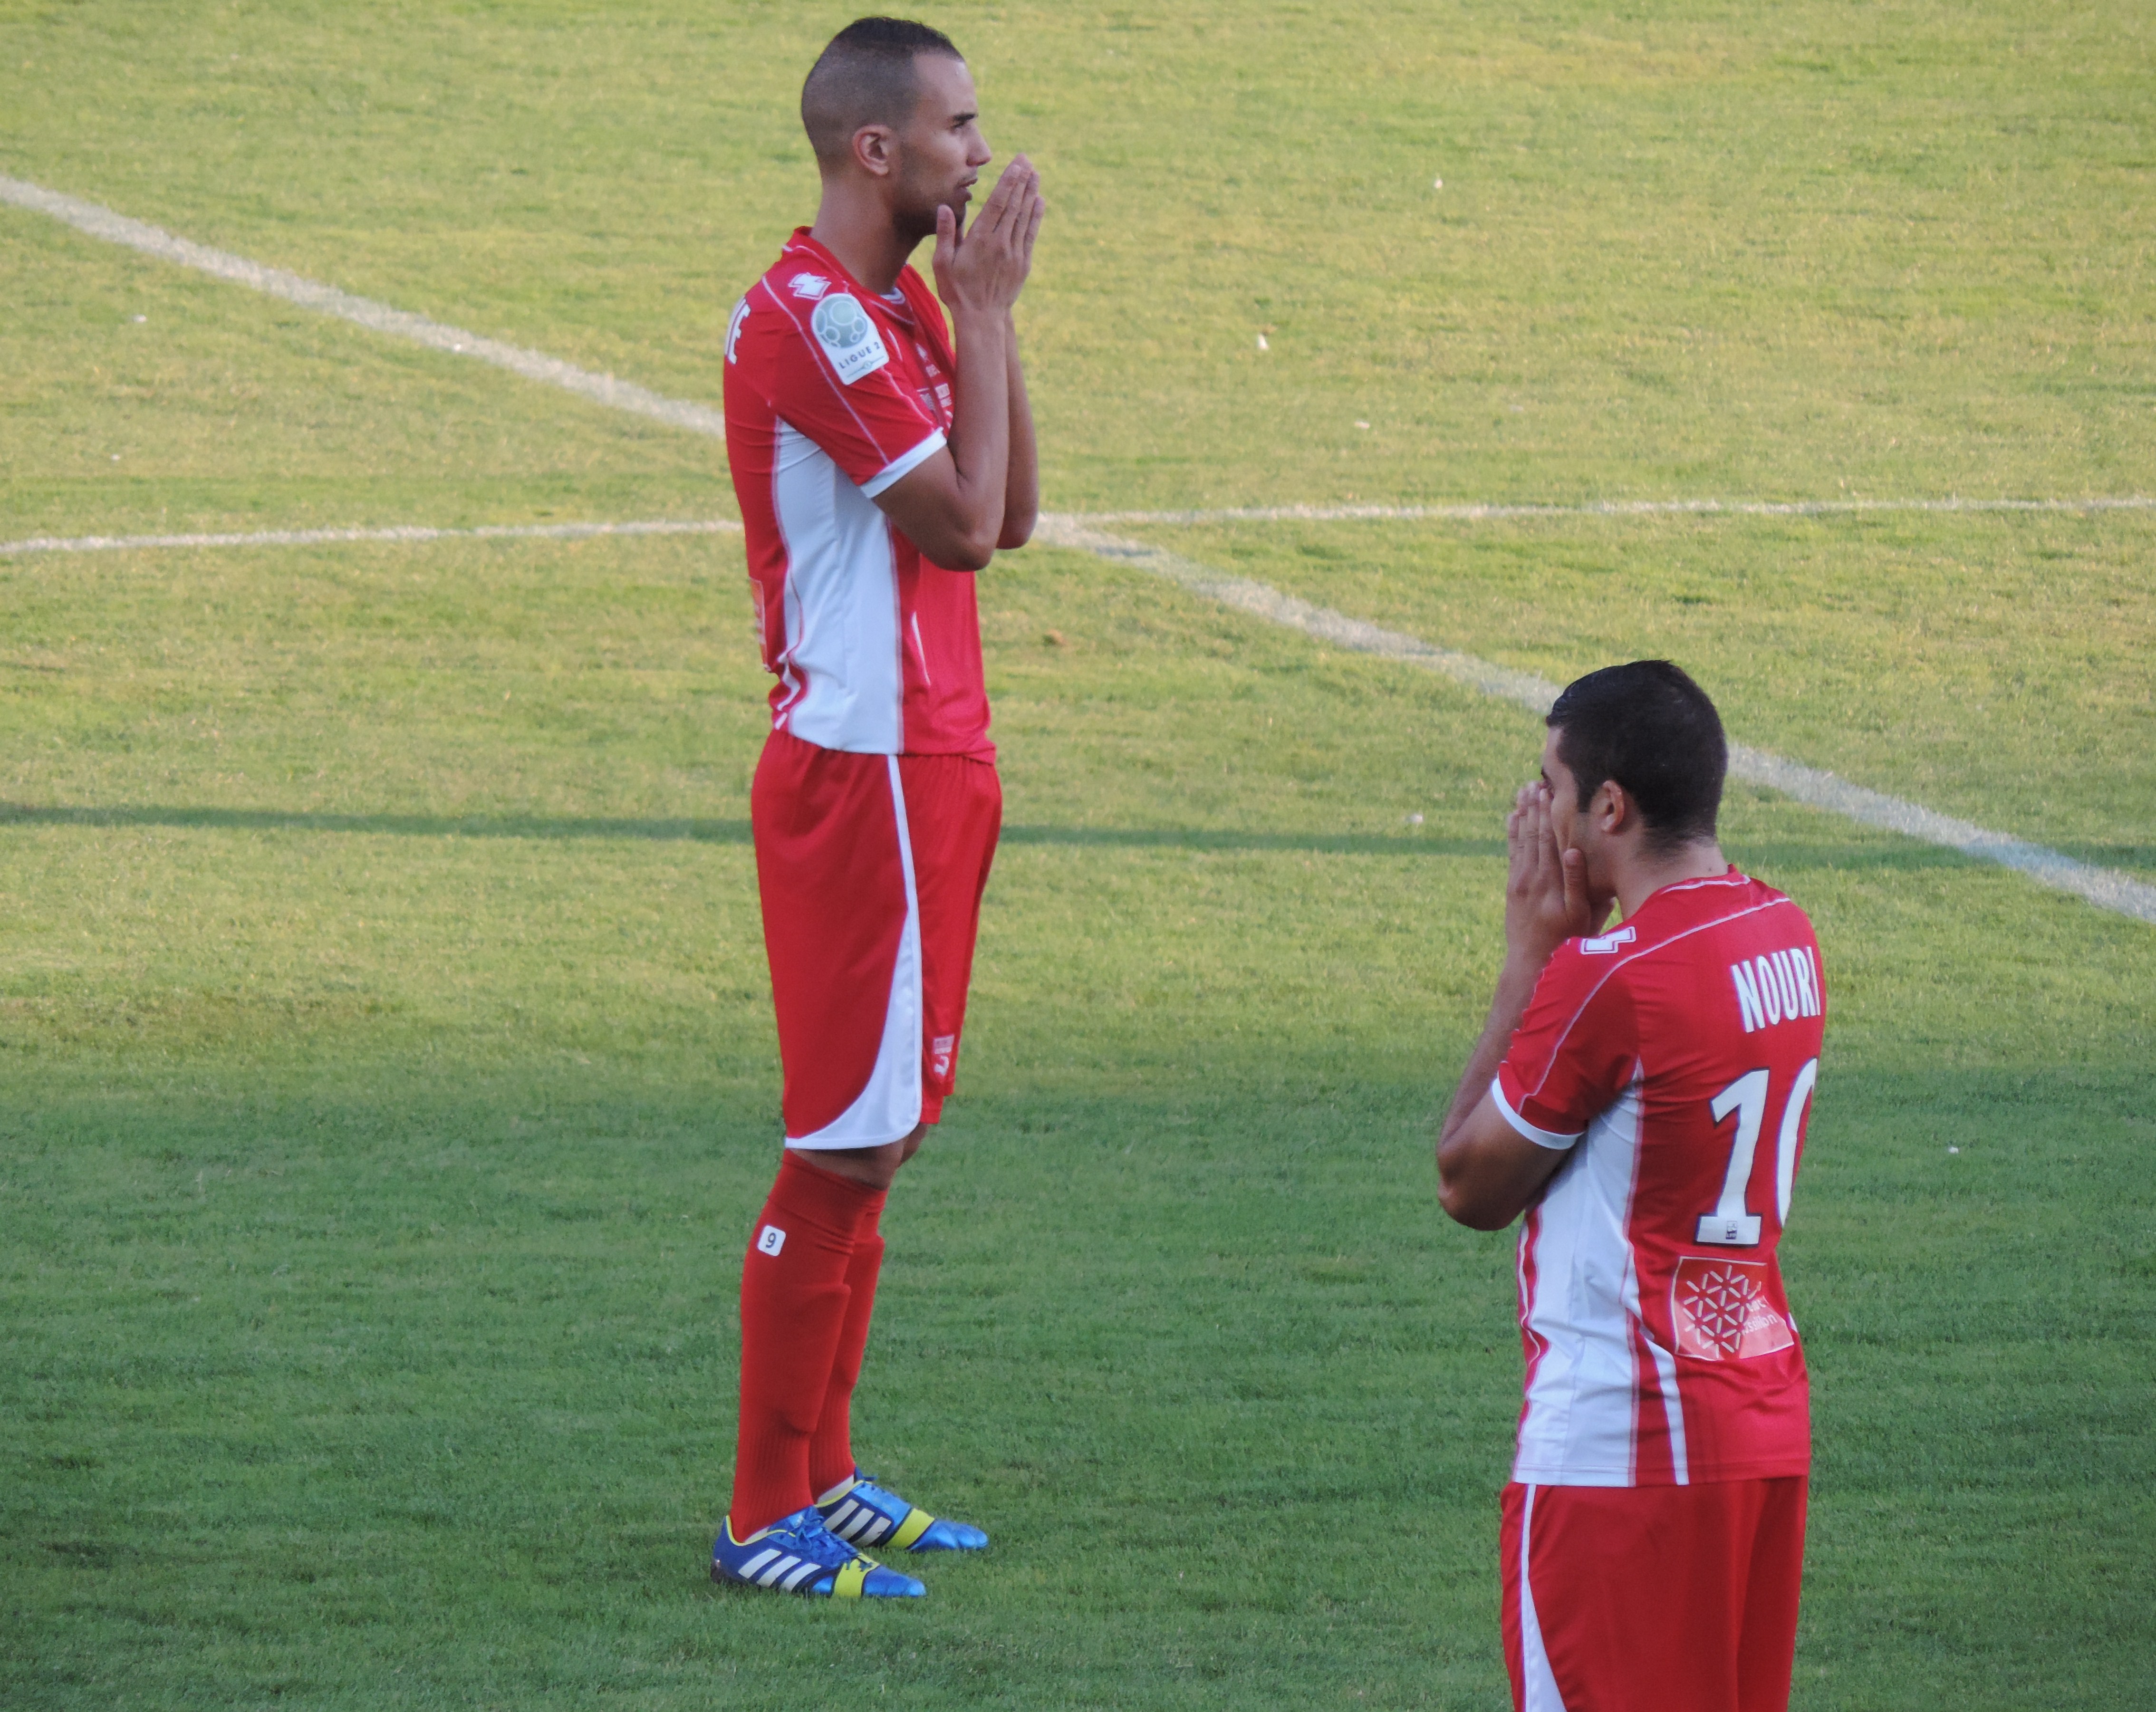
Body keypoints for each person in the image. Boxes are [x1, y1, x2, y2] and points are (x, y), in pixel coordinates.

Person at [710, 16, 1044, 1601]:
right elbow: (963, 529)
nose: (975, 153)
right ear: (875, 149)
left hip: (936, 764)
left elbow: (1017, 509)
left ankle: (825, 1478)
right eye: (957, 128)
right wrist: (970, 315)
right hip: (867, 771)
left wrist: (987, 321)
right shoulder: (815, 322)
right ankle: (759, 1507)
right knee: (836, 1148)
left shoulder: (898, 305)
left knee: (886, 1138)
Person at [1435, 661, 1825, 1710]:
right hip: (1760, 1429)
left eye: (1551, 787)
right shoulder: (1787, 934)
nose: (1539, 812)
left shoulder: (1611, 975)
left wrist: (1530, 955)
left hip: (1621, 1456)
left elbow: (1467, 1179)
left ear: (1610, 807)